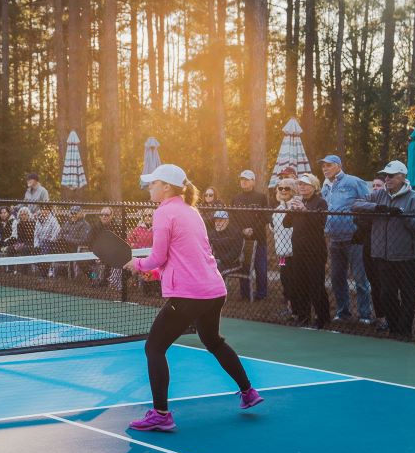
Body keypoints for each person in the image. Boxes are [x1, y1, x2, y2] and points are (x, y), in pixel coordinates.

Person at [122, 164, 262, 432]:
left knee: (154, 348)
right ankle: (248, 392)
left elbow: (158, 256)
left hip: (189, 294)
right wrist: (157, 272)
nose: (149, 188)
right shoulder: (191, 211)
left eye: (153, 184)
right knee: (213, 341)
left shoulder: (164, 212)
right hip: (214, 290)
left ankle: (161, 414)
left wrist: (138, 264)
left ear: (166, 187)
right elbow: (186, 254)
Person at [353, 161, 415, 338]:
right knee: (387, 295)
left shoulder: (414, 198)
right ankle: (395, 329)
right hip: (382, 257)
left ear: (402, 177)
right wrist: (377, 208)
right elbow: (356, 204)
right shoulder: (379, 195)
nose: (387, 179)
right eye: (386, 175)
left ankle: (404, 332)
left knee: (408, 296)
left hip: (407, 257)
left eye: (391, 176)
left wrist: (404, 217)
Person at [319, 154, 373, 324]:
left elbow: (368, 203)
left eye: (328, 165)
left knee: (360, 278)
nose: (325, 169)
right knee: (337, 278)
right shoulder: (325, 186)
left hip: (354, 238)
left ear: (338, 166)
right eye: (323, 166)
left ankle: (365, 315)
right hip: (334, 239)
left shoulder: (353, 181)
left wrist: (361, 229)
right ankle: (343, 313)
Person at [282, 173, 330, 329]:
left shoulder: (320, 202)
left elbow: (320, 223)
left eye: (305, 184)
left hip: (315, 250)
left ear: (314, 187)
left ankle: (322, 318)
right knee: (300, 283)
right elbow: (286, 224)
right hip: (298, 250)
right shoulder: (298, 201)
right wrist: (291, 209)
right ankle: (303, 316)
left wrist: (304, 211)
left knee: (316, 284)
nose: (301, 187)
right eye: (300, 184)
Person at [352, 175, 388, 329]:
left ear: (384, 188)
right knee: (374, 284)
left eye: (378, 185)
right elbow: (359, 220)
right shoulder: (368, 205)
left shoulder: (388, 204)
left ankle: (390, 317)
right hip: (368, 249)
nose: (375, 188)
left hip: (385, 251)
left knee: (385, 285)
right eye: (373, 185)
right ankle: (380, 317)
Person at [230, 169, 269, 300]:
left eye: (247, 180)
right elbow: (232, 218)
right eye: (242, 180)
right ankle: (245, 293)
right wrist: (242, 230)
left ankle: (261, 294)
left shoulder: (261, 197)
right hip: (242, 239)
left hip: (259, 239)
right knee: (244, 266)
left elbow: (265, 216)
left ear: (253, 182)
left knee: (261, 267)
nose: (244, 182)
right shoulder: (235, 198)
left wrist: (253, 229)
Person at [271, 178, 299, 320]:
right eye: (280, 188)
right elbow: (274, 229)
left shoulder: (295, 208)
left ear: (293, 190)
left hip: (294, 253)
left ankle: (297, 310)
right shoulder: (277, 210)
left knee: (295, 280)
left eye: (286, 188)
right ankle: (289, 307)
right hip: (282, 254)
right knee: (285, 279)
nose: (283, 191)